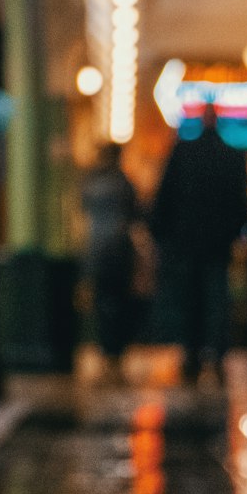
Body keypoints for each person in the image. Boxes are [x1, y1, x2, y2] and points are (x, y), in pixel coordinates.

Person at [150, 103, 247, 384]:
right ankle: (217, 356)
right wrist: (233, 233)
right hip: (217, 243)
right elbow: (241, 203)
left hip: (186, 241)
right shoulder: (232, 156)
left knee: (191, 298)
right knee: (217, 298)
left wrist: (162, 234)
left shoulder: (183, 153)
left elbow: (164, 197)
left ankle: (191, 356)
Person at [81, 142, 139, 375]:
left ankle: (106, 345)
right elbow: (135, 212)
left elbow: (84, 207)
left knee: (102, 299)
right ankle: (116, 348)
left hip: (96, 246)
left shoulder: (90, 183)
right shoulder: (123, 183)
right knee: (119, 299)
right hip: (119, 246)